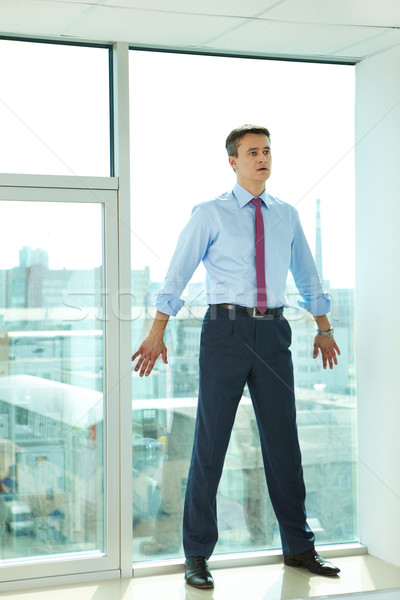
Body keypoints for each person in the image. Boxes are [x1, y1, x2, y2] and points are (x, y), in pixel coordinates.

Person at [132, 124, 341, 589]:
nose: (262, 158)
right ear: (233, 161)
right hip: (224, 332)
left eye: (267, 151)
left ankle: (299, 548)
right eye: (252, 152)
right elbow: (178, 274)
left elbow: (308, 275)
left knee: (284, 444)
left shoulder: (287, 214)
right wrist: (157, 329)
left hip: (274, 333)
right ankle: (197, 554)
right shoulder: (210, 213)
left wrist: (324, 328)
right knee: (211, 445)